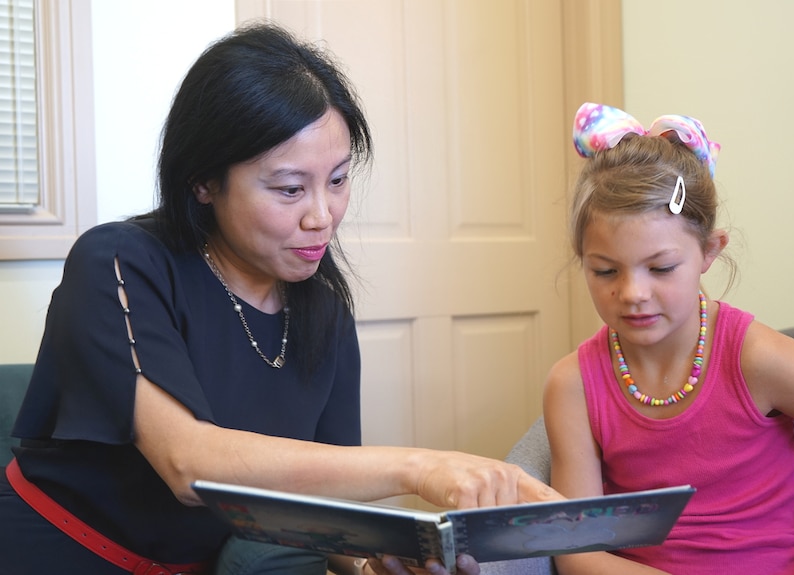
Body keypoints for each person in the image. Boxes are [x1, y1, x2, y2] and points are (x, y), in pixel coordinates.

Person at [0, 23, 557, 575]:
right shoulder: (118, 262)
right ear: (203, 182)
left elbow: (319, 513)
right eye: (290, 189)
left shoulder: (323, 310)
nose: (322, 216)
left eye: (337, 180)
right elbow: (188, 463)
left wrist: (372, 561)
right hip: (53, 551)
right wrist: (420, 467)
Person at [543, 102, 794, 574]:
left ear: (709, 252)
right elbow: (577, 554)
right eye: (605, 270)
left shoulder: (757, 358)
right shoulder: (573, 385)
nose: (632, 294)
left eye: (661, 268)